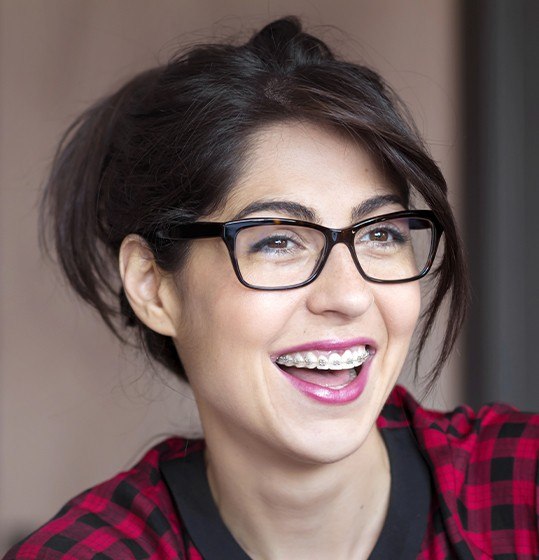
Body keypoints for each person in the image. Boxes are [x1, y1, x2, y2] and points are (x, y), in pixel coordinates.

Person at [4, 16, 539, 560]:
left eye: (380, 233)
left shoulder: (519, 490)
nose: (350, 296)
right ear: (153, 286)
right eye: (278, 242)